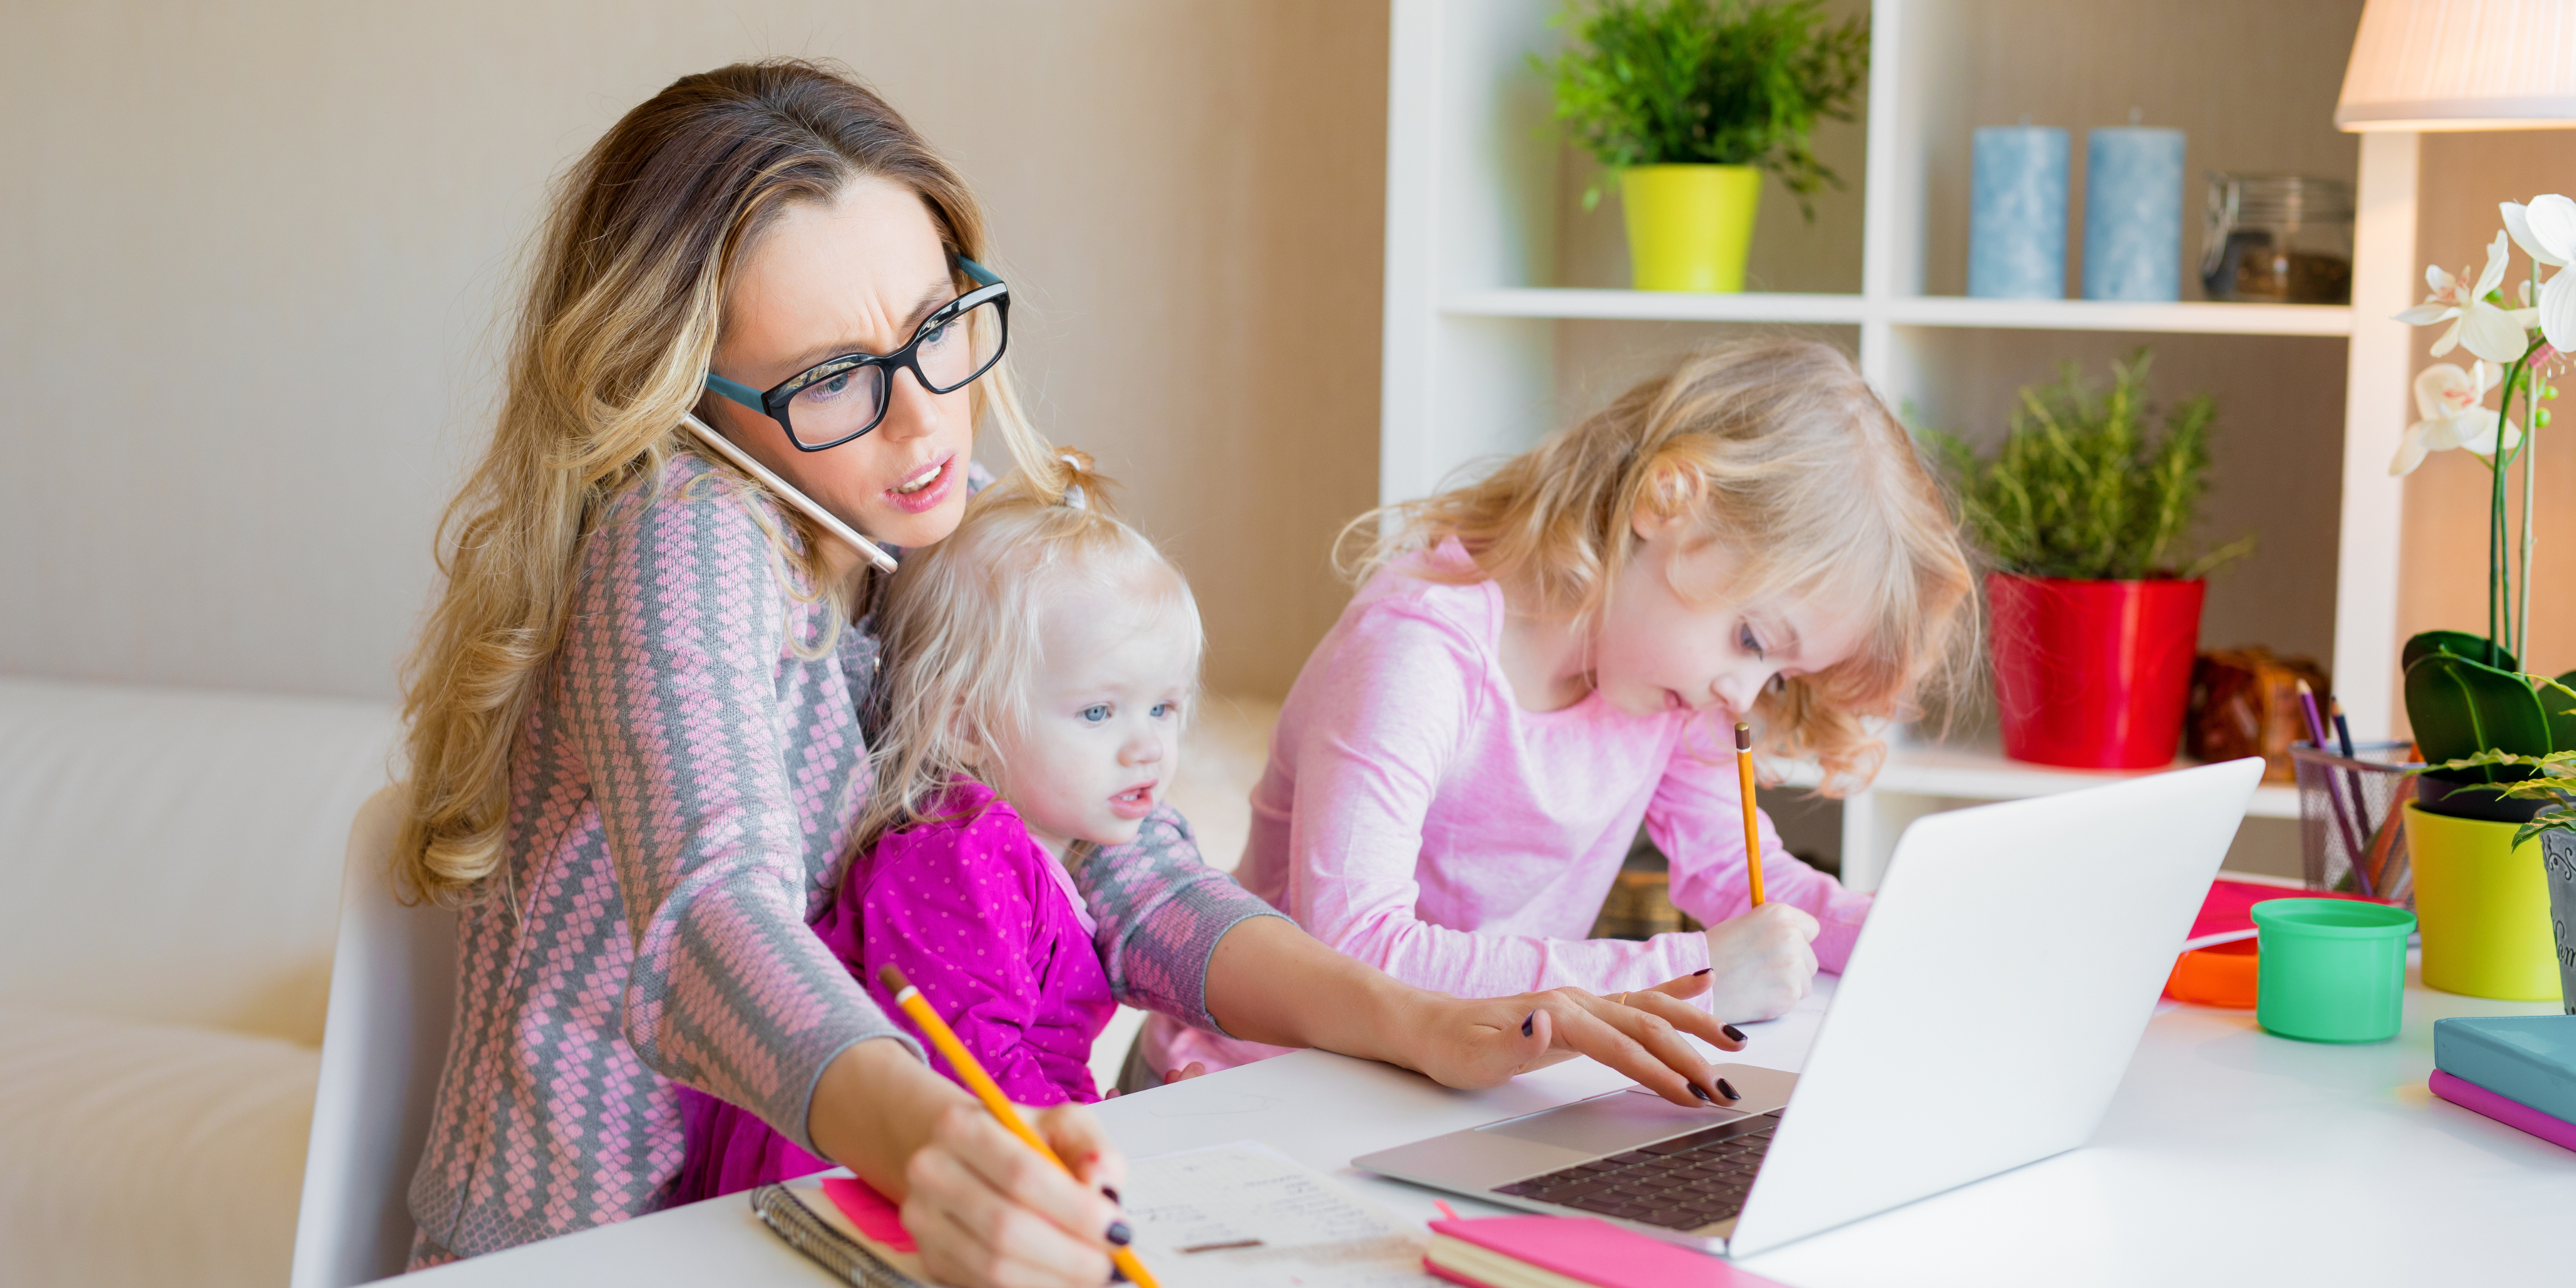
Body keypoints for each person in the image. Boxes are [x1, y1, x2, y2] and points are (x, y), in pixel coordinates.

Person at [395, 60, 1736, 1287]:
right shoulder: (680, 532)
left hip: (796, 1207)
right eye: (833, 383)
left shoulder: (925, 515)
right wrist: (931, 1145)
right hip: (605, 1243)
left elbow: (1129, 872)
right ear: (687, 401)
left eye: (938, 330)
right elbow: (711, 917)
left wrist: (1420, 1021)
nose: (926, 422)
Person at [1142, 340, 1977, 1083]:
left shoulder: (1663, 683)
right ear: (1667, 502)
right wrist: (1685, 974)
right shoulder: (1422, 650)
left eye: (1781, 677)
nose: (1744, 695)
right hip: (1254, 1081)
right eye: (1754, 637)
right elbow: (1355, 951)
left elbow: (1746, 879)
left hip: (1460, 1077)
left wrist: (1910, 932)